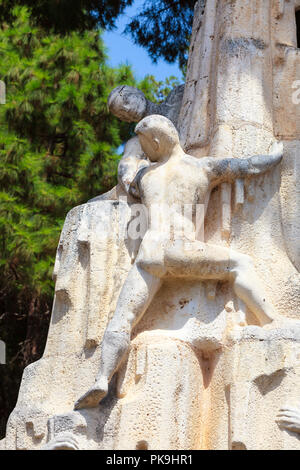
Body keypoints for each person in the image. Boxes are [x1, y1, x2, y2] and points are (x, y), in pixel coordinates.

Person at [75, 115, 284, 410]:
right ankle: (272, 320)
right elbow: (248, 166)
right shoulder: (201, 167)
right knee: (240, 263)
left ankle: (101, 377)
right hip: (179, 249)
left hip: (149, 254)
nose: (146, 152)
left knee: (123, 319)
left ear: (157, 143)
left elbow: (125, 181)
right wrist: (276, 153)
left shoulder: (144, 176)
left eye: (146, 146)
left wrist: (130, 163)